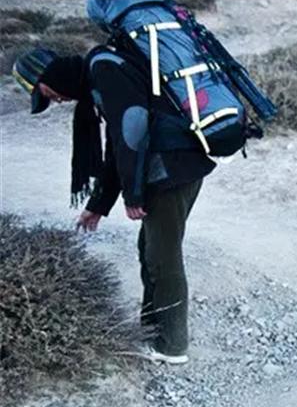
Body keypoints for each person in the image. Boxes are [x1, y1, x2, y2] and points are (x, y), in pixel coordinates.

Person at [12, 46, 215, 364]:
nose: (56, 101)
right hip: (174, 166)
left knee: (163, 256)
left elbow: (131, 131)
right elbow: (116, 148)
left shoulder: (104, 71)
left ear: (48, 76)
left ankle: (172, 346)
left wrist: (133, 197)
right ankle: (153, 332)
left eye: (47, 94)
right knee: (150, 251)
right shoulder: (98, 73)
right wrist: (98, 205)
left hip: (173, 170)